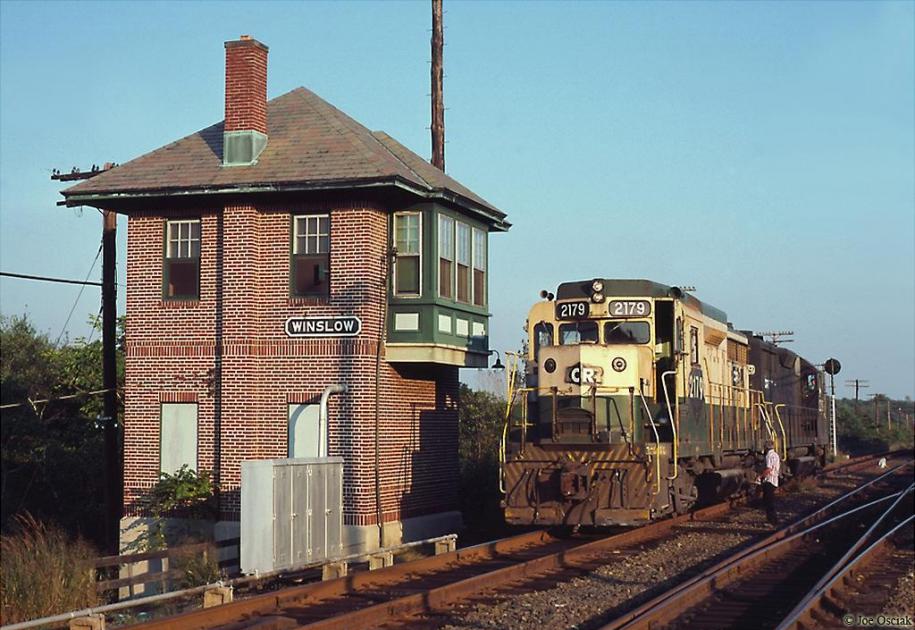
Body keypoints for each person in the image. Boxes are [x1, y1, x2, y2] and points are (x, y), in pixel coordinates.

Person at [760, 439, 780, 526]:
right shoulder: (776, 455)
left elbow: (768, 469)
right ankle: (773, 521)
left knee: (768, 503)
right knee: (770, 502)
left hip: (769, 481)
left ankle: (773, 522)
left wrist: (760, 476)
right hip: (774, 481)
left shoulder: (768, 456)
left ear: (766, 447)